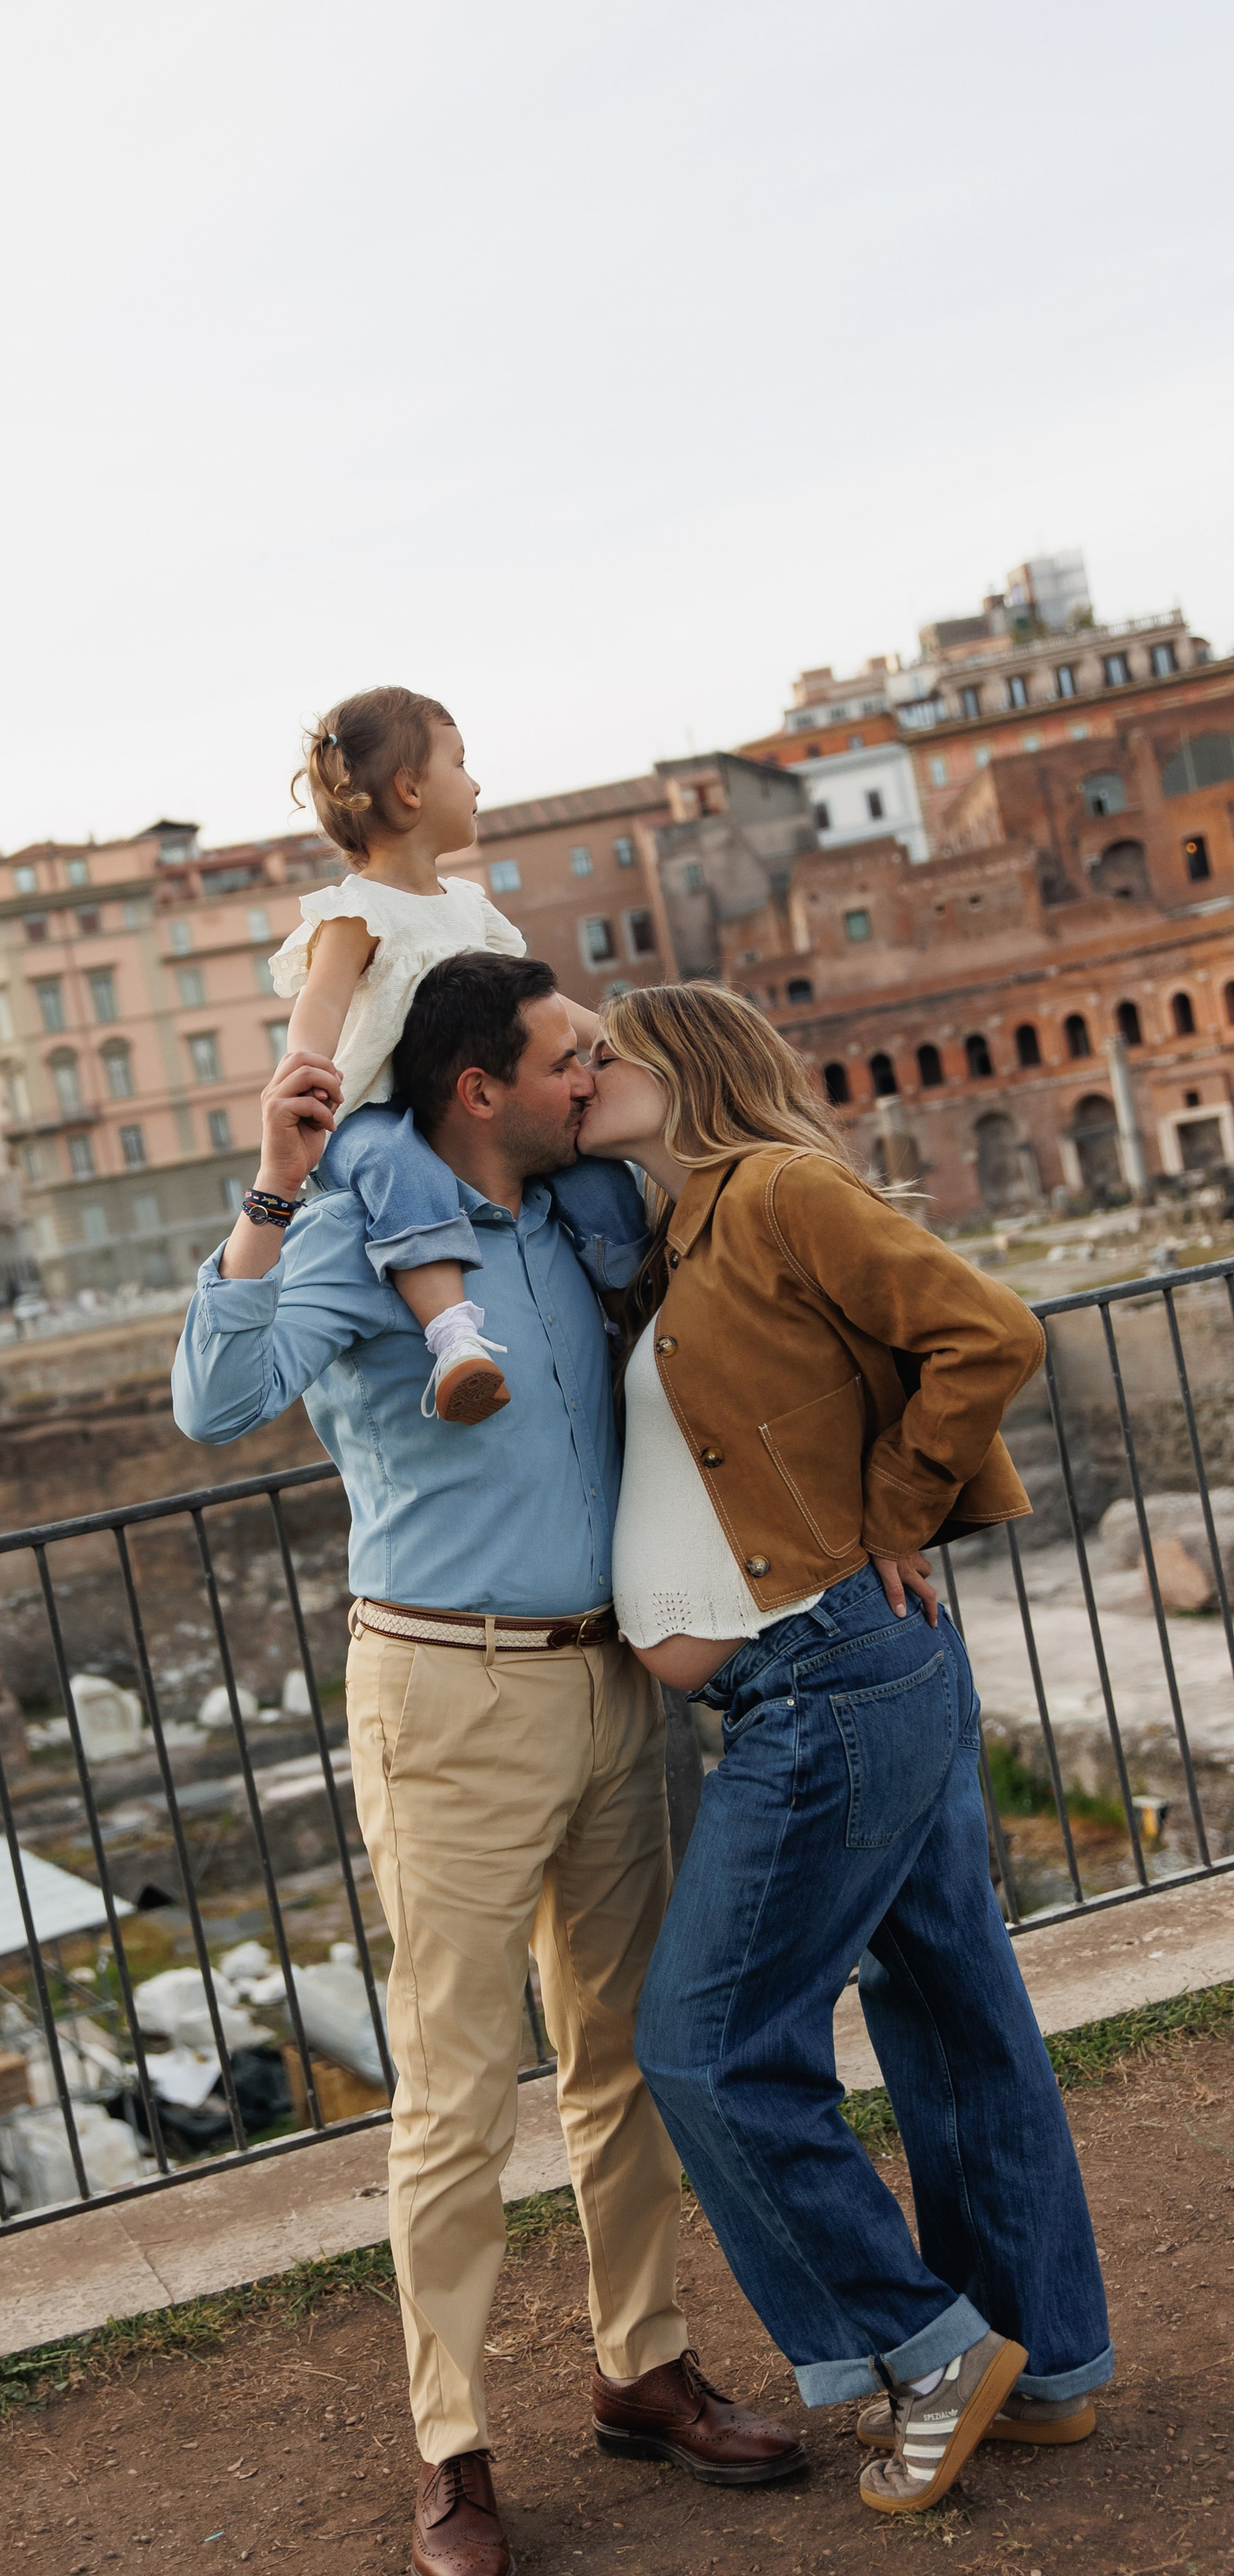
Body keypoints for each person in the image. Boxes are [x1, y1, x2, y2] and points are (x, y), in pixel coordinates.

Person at [173, 954, 802, 2576]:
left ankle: (638, 2364)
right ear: (477, 1089)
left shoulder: (584, 1210)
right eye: (560, 1059)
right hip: (443, 1697)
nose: (584, 1076)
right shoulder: (349, 1233)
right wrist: (269, 1181)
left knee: (621, 2053)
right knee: (454, 2093)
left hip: (610, 1674)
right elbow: (212, 1395)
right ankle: (449, 2449)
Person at [576, 979, 1112, 2519]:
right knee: (951, 2006)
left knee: (701, 2044)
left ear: (687, 1068)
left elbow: (985, 1331)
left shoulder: (782, 1190)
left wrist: (893, 1519)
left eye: (611, 1051)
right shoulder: (687, 1229)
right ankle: (1050, 2366)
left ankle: (923, 2348)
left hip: (822, 1678)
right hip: (850, 1671)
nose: (591, 1072)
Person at [275, 684, 646, 1423]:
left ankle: (637, 1310)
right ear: (410, 789)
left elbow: (534, 1006)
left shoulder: (471, 906)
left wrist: (617, 1037)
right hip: (382, 1117)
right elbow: (319, 999)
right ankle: (455, 1343)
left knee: (595, 1172)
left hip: (484, 1113)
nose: (476, 784)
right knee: (395, 1169)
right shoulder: (356, 909)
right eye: (461, 763)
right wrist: (305, 1073)